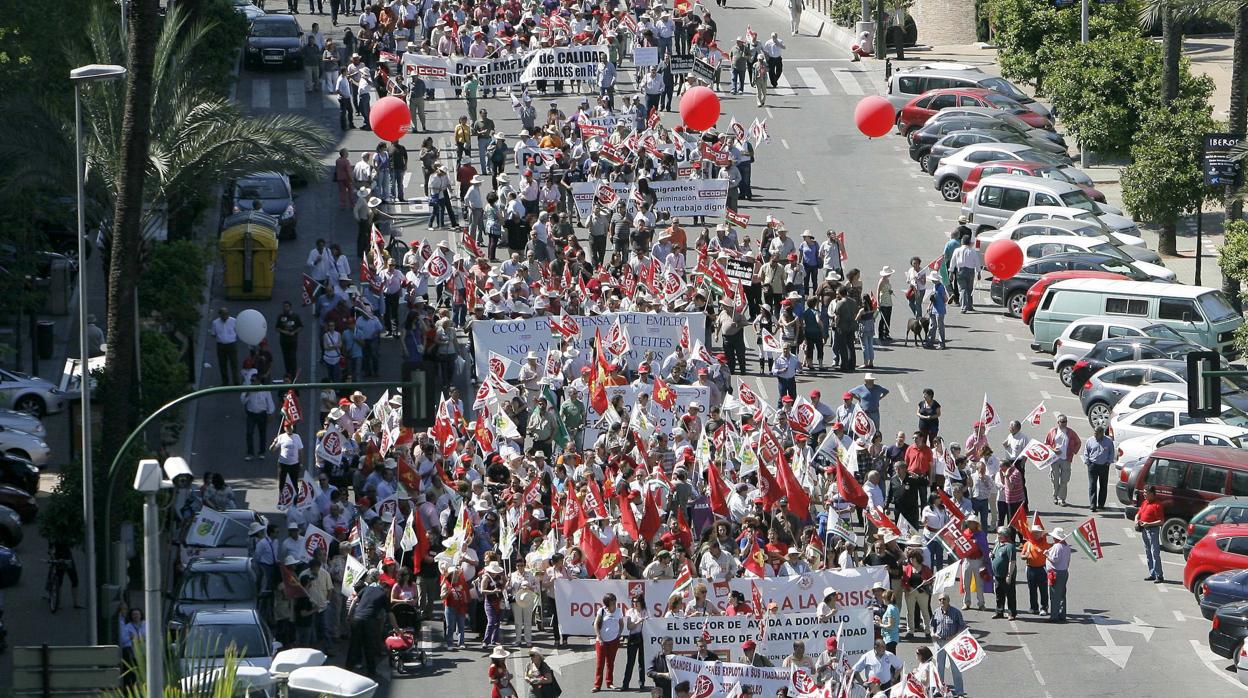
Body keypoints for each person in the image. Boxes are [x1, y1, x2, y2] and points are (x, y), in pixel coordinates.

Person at [930, 593, 967, 697]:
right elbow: (932, 625)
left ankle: (960, 692)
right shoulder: (936, 612)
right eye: (940, 599)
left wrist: (954, 636)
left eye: (944, 599)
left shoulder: (955, 612)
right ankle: (939, 690)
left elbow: (962, 627)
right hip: (940, 643)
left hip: (953, 643)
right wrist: (933, 633)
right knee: (939, 668)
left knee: (955, 669)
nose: (942, 601)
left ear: (948, 600)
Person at [1044, 414, 1082, 507]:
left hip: (1066, 459)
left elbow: (1078, 442)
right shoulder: (1052, 431)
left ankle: (1062, 499)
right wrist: (1053, 450)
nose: (1064, 423)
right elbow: (1046, 443)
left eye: (1065, 421)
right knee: (1055, 479)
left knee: (1064, 480)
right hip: (1054, 459)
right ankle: (1055, 496)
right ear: (1058, 422)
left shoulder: (1071, 432)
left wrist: (1073, 452)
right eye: (1062, 421)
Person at [593, 592, 624, 692]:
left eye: (615, 601)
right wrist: (599, 637)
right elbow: (596, 625)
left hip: (613, 641)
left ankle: (609, 683)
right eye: (612, 602)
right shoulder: (601, 611)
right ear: (607, 603)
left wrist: (619, 634)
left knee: (610, 663)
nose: (614, 604)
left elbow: (621, 624)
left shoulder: (618, 611)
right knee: (599, 664)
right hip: (601, 641)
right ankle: (597, 685)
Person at [1136, 485, 1166, 583]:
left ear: (1152, 494)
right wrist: (1136, 520)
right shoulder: (1145, 503)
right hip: (1145, 530)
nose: (1144, 494)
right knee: (1148, 552)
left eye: (1146, 492)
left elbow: (1161, 521)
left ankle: (1159, 575)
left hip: (1153, 530)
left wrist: (1149, 524)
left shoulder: (1157, 505)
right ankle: (1152, 573)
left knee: (1155, 553)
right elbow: (1138, 513)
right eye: (1144, 492)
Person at [622, 590, 649, 691]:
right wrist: (638, 621)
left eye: (636, 601)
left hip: (643, 637)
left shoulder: (646, 611)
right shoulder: (630, 612)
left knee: (642, 662)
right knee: (630, 661)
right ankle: (625, 684)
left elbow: (650, 624)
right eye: (633, 601)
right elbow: (629, 627)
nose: (635, 603)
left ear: (641, 602)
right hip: (633, 637)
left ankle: (642, 683)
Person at [1082, 426, 1114, 512]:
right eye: (1094, 433)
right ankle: (1093, 504)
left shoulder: (1108, 441)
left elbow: (1112, 452)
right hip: (1093, 465)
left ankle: (1101, 504)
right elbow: (1086, 452)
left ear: (1102, 433)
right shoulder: (1090, 440)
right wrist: (1087, 462)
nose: (1095, 435)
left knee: (1103, 485)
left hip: (1104, 466)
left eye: (1097, 433)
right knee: (1092, 485)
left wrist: (1109, 462)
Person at [242, 382, 275, 461]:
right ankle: (250, 453)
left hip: (262, 414)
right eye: (251, 380)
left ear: (258, 381)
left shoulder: (265, 389)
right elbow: (243, 400)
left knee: (262, 433)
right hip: (251, 415)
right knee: (249, 433)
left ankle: (262, 452)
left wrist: (270, 413)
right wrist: (247, 393)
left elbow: (269, 401)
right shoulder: (248, 388)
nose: (252, 382)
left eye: (254, 380)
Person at [1020, 527, 1050, 615]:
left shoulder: (1044, 543)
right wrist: (1025, 556)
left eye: (1038, 533)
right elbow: (1022, 555)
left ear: (1041, 534)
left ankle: (1044, 607)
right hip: (1030, 569)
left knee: (1043, 589)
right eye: (1034, 533)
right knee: (1032, 589)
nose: (1036, 534)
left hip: (1042, 569)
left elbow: (1050, 551)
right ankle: (1034, 607)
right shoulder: (1028, 544)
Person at [990, 526, 1018, 620]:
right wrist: (992, 555)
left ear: (1005, 535)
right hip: (998, 575)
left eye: (999, 534)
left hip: (1006, 575)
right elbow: (995, 555)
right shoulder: (998, 544)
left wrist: (1009, 575)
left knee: (1010, 595)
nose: (997, 535)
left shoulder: (1010, 547)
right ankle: (999, 611)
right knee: (999, 594)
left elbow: (1012, 561)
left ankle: (1012, 613)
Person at [1046, 528, 1071, 622]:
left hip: (1056, 572)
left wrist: (1046, 555)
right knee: (1062, 594)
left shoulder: (1057, 546)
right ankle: (1062, 614)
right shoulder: (1066, 546)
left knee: (1054, 595)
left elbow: (1054, 559)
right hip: (1064, 571)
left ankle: (1054, 616)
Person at [210, 307, 240, 385]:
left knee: (234, 363)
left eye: (226, 314)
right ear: (220, 315)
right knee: (222, 364)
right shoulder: (215, 323)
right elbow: (213, 334)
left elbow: (237, 330)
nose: (225, 316)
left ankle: (236, 381)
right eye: (223, 314)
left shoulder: (233, 321)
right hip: (221, 345)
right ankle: (225, 382)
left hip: (232, 344)